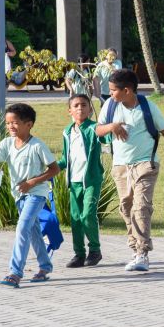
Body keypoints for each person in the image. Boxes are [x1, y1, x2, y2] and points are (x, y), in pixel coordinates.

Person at [96, 69, 164, 272]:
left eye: (113, 90)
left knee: (141, 207)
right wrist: (112, 127)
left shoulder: (148, 107)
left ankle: (142, 253)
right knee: (127, 208)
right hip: (120, 166)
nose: (110, 94)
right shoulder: (110, 106)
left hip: (146, 164)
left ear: (126, 90)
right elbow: (98, 129)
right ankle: (135, 247)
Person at [0, 103, 61, 288]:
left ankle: (15, 273)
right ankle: (45, 266)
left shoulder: (37, 145)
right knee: (33, 231)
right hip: (19, 195)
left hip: (36, 194)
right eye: (8, 123)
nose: (10, 127)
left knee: (22, 228)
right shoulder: (7, 143)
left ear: (29, 124)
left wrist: (32, 182)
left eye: (15, 123)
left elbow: (54, 169)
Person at [58, 95, 104, 268]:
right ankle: (79, 254)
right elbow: (65, 158)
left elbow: (105, 137)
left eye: (84, 105)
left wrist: (111, 129)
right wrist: (51, 168)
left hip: (91, 180)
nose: (80, 108)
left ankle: (95, 250)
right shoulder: (67, 132)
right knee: (76, 219)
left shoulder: (94, 128)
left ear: (90, 109)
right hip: (74, 182)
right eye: (76, 105)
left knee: (87, 215)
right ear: (69, 110)